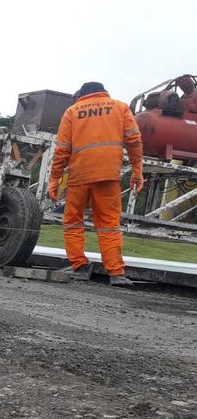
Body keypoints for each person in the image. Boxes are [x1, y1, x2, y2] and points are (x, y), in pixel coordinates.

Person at [48, 82, 144, 286]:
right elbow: (134, 141)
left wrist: (54, 179)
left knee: (73, 221)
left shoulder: (72, 111)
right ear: (103, 93)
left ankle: (79, 266)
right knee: (109, 224)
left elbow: (62, 150)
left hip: (79, 176)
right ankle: (116, 273)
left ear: (81, 96)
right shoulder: (120, 107)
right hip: (108, 175)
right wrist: (137, 170)